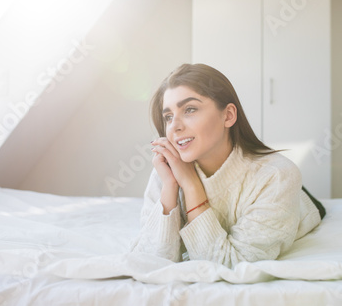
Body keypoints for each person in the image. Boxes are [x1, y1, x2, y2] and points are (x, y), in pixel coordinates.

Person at [130, 63, 324, 268]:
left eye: (190, 109)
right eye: (168, 116)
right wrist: (171, 185)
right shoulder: (168, 170)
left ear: (228, 115)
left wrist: (191, 184)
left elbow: (228, 265)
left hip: (296, 203)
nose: (175, 126)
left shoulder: (277, 176)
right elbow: (151, 259)